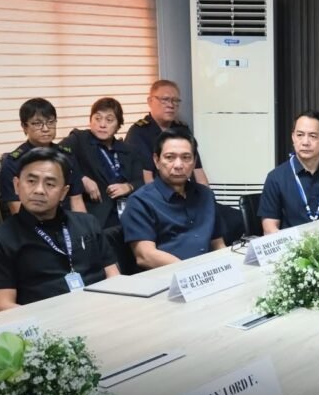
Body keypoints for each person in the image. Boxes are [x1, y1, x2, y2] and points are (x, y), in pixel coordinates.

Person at [0, 147, 119, 312]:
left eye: (50, 184)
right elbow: (1, 307)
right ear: (16, 185)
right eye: (31, 181)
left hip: (101, 313)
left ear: (64, 192)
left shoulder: (88, 223)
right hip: (48, 330)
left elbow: (113, 275)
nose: (39, 190)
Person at [120, 128, 226, 269]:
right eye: (170, 157)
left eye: (186, 157)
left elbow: (217, 244)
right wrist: (192, 273)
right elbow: (145, 256)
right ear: (156, 161)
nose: (178, 165)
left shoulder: (205, 195)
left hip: (208, 275)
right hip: (165, 281)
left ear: (194, 163)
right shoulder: (140, 202)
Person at [258, 110, 319, 234]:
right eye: (300, 135)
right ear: (293, 138)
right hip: (292, 249)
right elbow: (269, 229)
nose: (305, 142)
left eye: (313, 136)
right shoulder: (276, 178)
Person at [60, 97, 144, 228]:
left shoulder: (129, 150)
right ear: (90, 121)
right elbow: (57, 154)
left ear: (118, 124)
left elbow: (141, 182)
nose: (102, 124)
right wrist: (81, 178)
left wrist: (128, 187)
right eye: (97, 118)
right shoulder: (79, 139)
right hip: (97, 217)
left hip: (128, 214)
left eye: (109, 120)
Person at [0, 97, 86, 215]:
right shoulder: (13, 163)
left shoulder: (67, 156)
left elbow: (77, 201)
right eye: (37, 123)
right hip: (31, 226)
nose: (45, 129)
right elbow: (17, 211)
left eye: (50, 122)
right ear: (24, 127)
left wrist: (84, 231)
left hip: (66, 222)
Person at [124, 80, 209, 185]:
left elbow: (198, 171)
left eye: (175, 100)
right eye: (165, 100)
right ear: (150, 101)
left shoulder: (182, 130)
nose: (171, 105)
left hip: (187, 193)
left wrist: (208, 199)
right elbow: (147, 178)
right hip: (158, 195)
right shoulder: (139, 132)